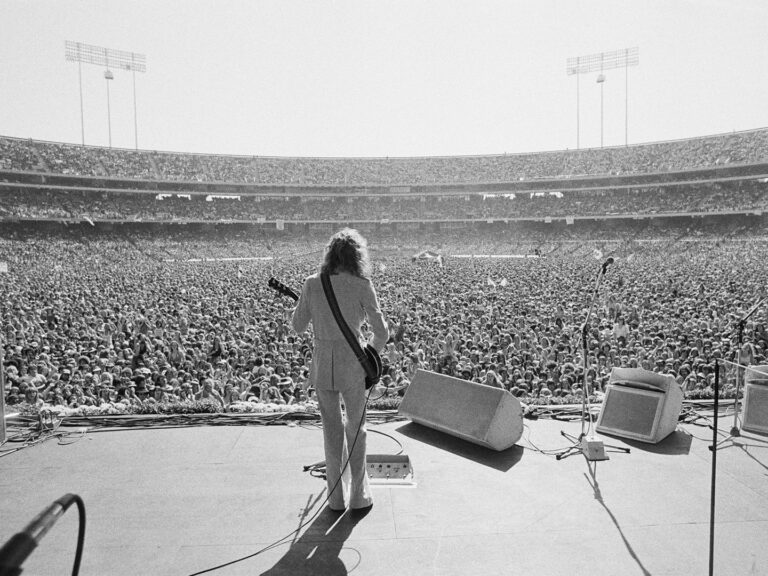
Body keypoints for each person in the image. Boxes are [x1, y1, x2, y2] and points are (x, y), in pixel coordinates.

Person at [291, 228, 388, 513]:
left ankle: (336, 498)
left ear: (330, 254)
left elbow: (297, 326)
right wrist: (369, 352)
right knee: (356, 429)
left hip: (323, 365)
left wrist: (303, 309)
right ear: (357, 256)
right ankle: (359, 496)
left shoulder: (312, 283)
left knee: (331, 431)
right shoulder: (362, 284)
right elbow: (382, 333)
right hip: (353, 365)